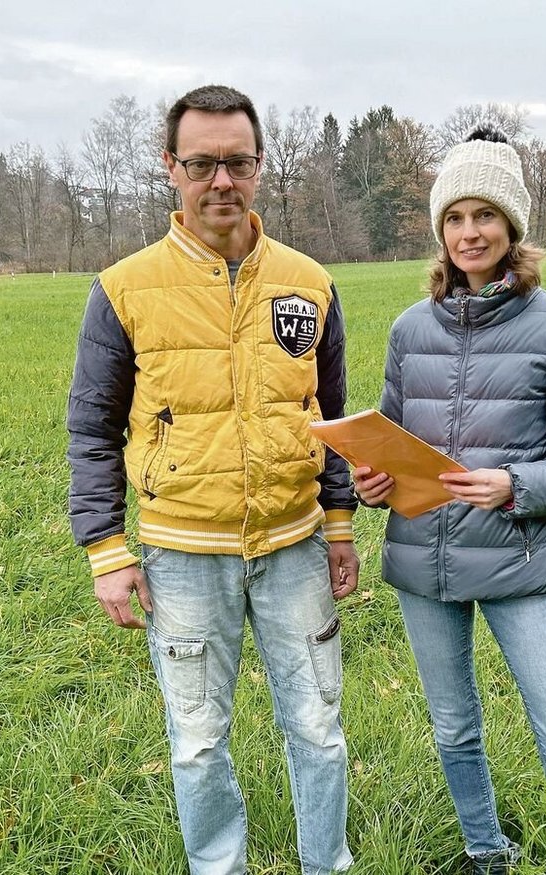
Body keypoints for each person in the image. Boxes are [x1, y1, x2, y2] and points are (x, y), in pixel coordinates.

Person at [66, 84, 358, 875]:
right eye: (202, 164)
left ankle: (326, 864)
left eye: (238, 162)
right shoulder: (122, 290)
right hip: (181, 554)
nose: (221, 181)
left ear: (260, 167)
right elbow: (92, 431)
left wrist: (339, 525)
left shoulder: (310, 282)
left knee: (320, 726)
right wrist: (106, 550)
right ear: (171, 167)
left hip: (296, 545)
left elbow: (331, 417)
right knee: (197, 741)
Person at [353, 128, 546, 875]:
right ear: (440, 229)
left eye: (485, 216)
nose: (470, 232)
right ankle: (484, 850)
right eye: (455, 217)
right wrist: (370, 484)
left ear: (512, 227)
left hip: (519, 563)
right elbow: (389, 437)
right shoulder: (411, 329)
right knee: (452, 726)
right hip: (424, 563)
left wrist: (517, 486)